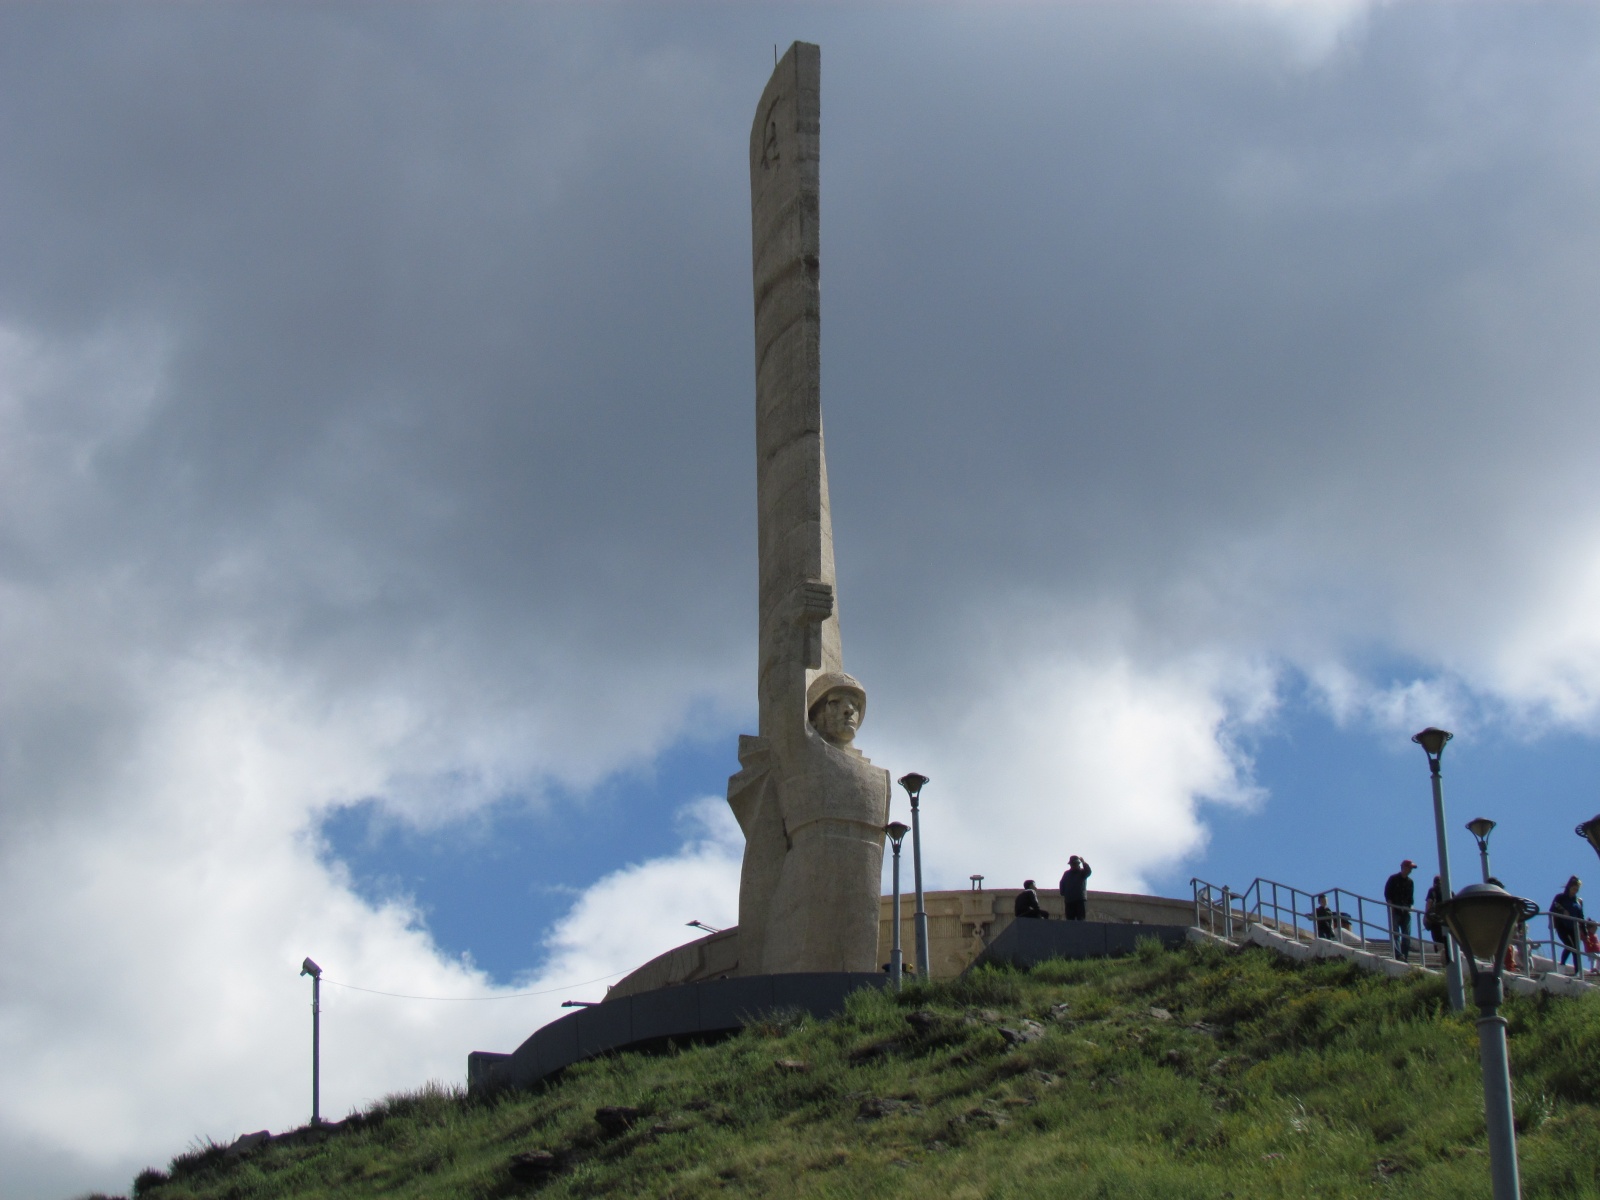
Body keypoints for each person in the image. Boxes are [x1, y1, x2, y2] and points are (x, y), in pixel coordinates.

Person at [1384, 859, 1417, 961]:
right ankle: (1398, 955)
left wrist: (1410, 907)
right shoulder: (1393, 879)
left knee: (1406, 936)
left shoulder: (1410, 882)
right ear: (1404, 867)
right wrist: (1391, 905)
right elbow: (1387, 894)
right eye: (1410, 868)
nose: (1411, 870)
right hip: (1395, 910)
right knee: (1395, 934)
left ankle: (1404, 956)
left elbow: (1411, 898)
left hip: (1406, 912)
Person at [1552, 876, 1585, 975]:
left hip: (1573, 927)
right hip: (1562, 925)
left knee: (1576, 949)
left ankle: (1578, 971)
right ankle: (1562, 966)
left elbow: (1581, 917)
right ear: (1569, 887)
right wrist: (1563, 911)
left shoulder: (1578, 901)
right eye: (1574, 889)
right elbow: (1552, 909)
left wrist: (1585, 931)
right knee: (1569, 945)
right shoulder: (1560, 897)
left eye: (1577, 890)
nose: (1575, 891)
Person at [1422, 875, 1448, 962]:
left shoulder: (1432, 891)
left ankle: (1440, 957)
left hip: (1435, 920)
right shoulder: (1448, 891)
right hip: (1446, 921)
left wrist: (1426, 917)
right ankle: (1446, 958)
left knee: (1437, 940)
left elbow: (1429, 902)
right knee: (1446, 940)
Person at [1059, 855, 1092, 921]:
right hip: (1069, 901)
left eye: (1075, 863)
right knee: (1070, 920)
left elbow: (1088, 872)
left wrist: (1084, 863)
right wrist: (1064, 893)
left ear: (1078, 864)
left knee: (1081, 919)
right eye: (1072, 864)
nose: (1073, 865)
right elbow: (1062, 883)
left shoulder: (1082, 872)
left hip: (1080, 900)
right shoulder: (1066, 874)